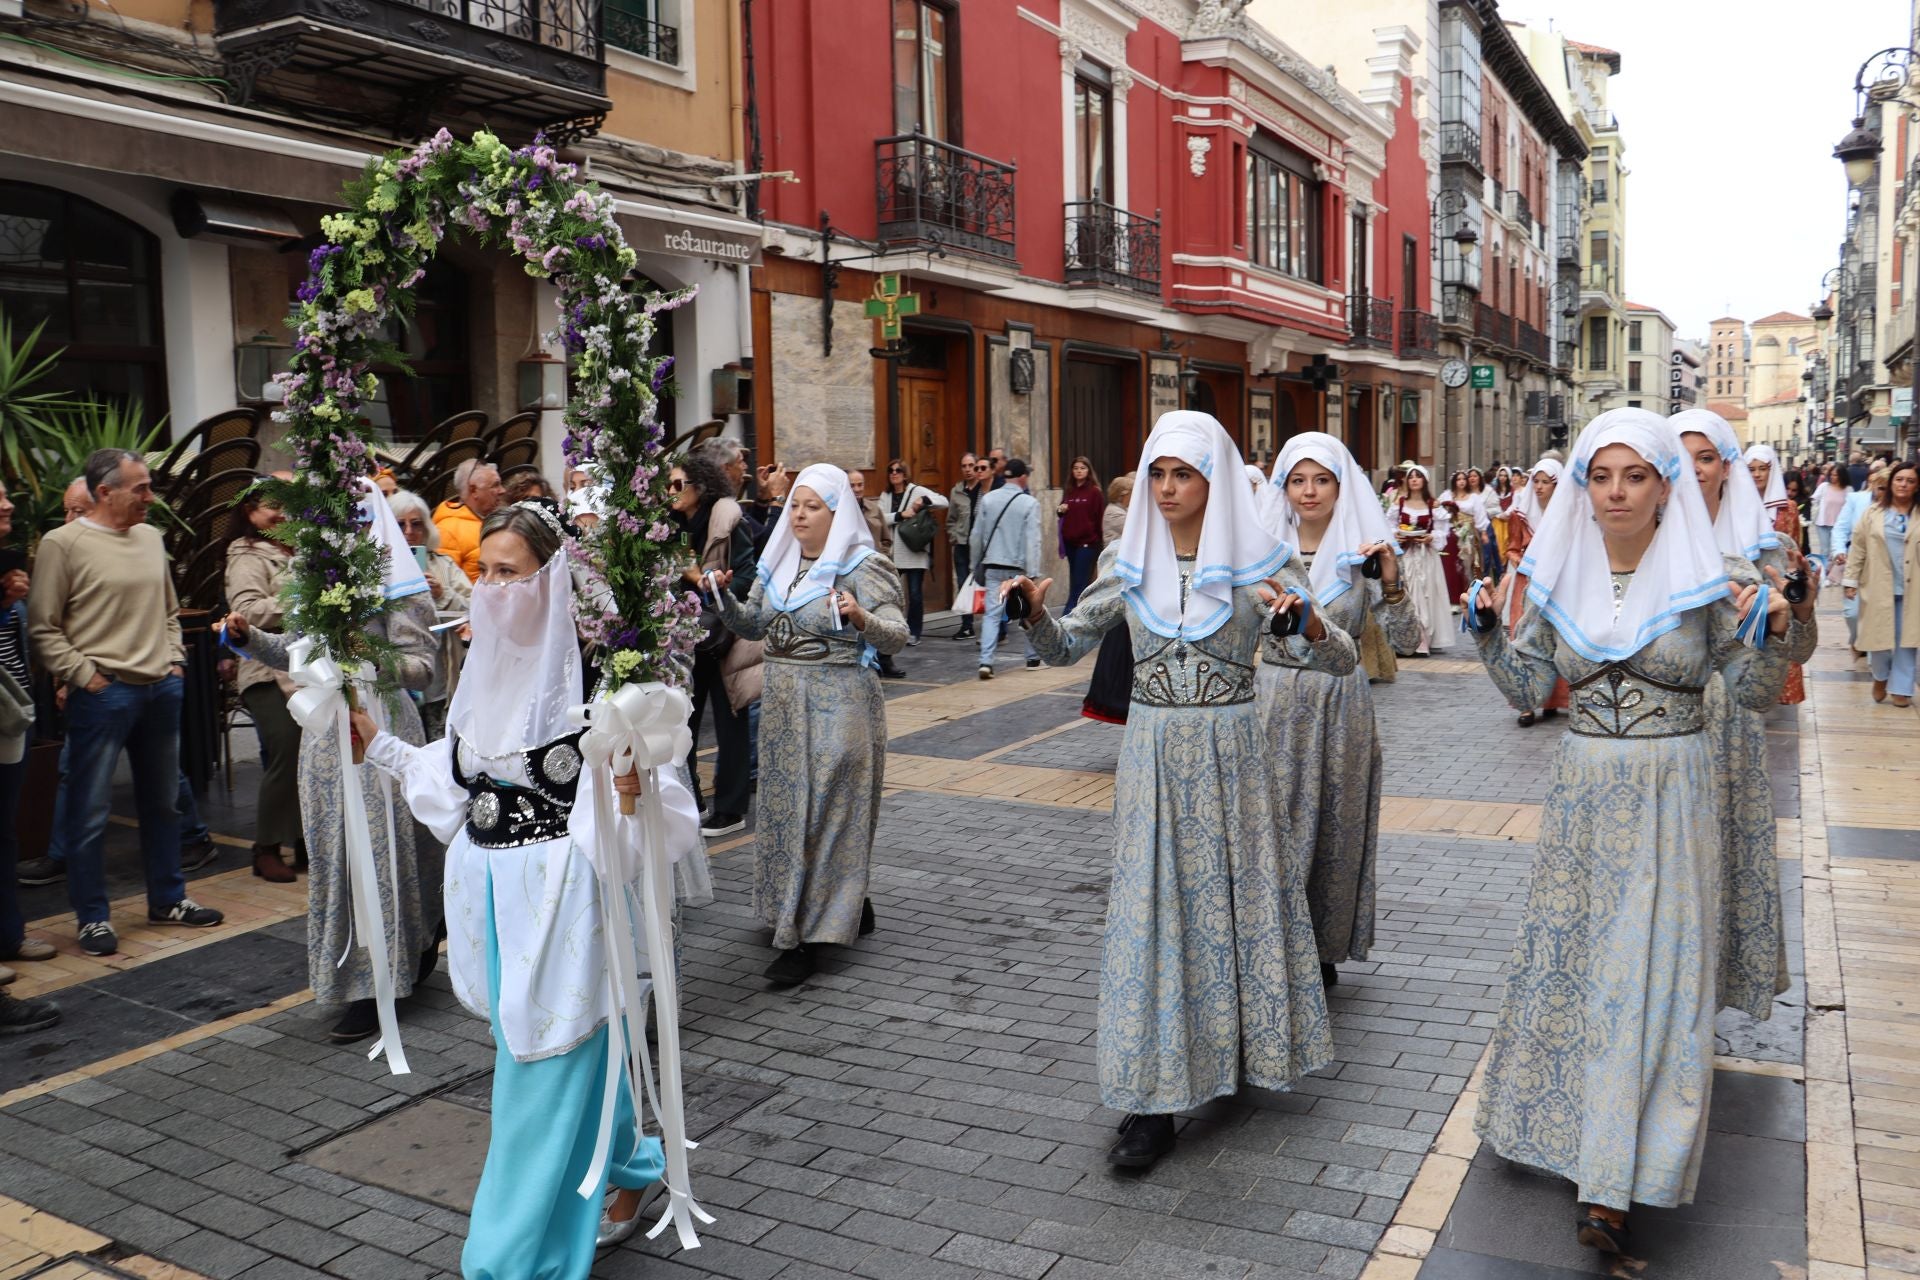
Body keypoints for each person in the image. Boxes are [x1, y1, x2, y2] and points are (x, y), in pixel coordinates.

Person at [1464, 409, 1796, 1257]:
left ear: (1664, 486)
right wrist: (1490, 636)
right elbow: (1529, 687)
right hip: (1582, 794)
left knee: (1658, 973)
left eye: (1634, 476)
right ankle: (1584, 1142)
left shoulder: (1712, 575)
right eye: (1601, 476)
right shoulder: (1561, 573)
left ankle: (1618, 1183)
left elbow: (1754, 694)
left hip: (1674, 791)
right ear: (1583, 486)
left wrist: (1781, 632)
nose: (1616, 492)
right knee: (1583, 969)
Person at [352, 501, 707, 1274]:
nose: (491, 588)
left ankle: (511, 1263)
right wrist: (378, 745)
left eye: (510, 573)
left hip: (562, 901)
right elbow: (458, 780)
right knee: (560, 1049)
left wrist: (627, 788)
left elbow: (658, 810)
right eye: (484, 572)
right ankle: (631, 1167)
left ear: (553, 582)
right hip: (487, 898)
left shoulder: (600, 678)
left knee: (539, 1076)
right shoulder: (488, 666)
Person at [1003, 411, 1346, 1170]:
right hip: (1152, 758)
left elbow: (1342, 659)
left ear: (1212, 480)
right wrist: (1031, 613)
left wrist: (1303, 627)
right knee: (1152, 918)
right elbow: (1067, 645)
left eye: (1181, 474)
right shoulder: (1128, 562)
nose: (1165, 488)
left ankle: (1231, 1051)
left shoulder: (1262, 563)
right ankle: (1151, 1098)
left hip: (1232, 757)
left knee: (1230, 907)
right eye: (1157, 472)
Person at [225, 481, 442, 1043]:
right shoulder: (313, 582)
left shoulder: (398, 582)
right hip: (325, 740)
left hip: (381, 731)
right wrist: (250, 639)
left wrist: (367, 663)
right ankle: (358, 971)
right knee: (337, 855)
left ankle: (388, 975)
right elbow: (295, 651)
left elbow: (423, 666)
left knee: (385, 855)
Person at [710, 464, 907, 987]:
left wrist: (863, 618)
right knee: (787, 813)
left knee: (826, 815)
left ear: (836, 512)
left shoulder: (864, 566)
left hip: (841, 705)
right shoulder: (780, 561)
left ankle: (808, 939)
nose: (798, 515)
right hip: (781, 709)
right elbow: (753, 625)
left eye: (812, 506)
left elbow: (897, 637)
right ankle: (844, 901)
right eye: (795, 504)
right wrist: (723, 598)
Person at [27, 450, 224, 957]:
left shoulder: (150, 538)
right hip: (103, 693)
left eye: (149, 486)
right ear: (104, 491)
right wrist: (86, 676)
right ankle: (92, 918)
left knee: (163, 803)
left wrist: (174, 659)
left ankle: (168, 897)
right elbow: (43, 628)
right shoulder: (62, 543)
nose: (150, 498)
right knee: (88, 814)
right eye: (140, 488)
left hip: (160, 687)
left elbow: (168, 610)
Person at [1258, 433, 1416, 990]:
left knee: (1335, 823)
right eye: (1298, 480)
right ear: (1282, 486)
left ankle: (1322, 945)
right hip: (1272, 700)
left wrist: (1392, 583)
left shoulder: (1363, 553)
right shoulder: (1259, 549)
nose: (1309, 492)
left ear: (1340, 485)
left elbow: (1407, 636)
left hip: (1341, 700)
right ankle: (1272, 939)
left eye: (1321, 480)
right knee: (1271, 823)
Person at [1674, 409, 1818, 1021]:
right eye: (1681, 457)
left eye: (1706, 458)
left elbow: (1798, 653)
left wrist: (1799, 611)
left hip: (1732, 718)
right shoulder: (1636, 537)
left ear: (1726, 469)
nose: (1693, 470)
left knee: (1725, 853)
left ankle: (1714, 984)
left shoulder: (1769, 548)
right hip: (1665, 719)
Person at [670, 453, 761, 837]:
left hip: (725, 636)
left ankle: (731, 808)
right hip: (684, 636)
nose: (670, 492)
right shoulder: (669, 525)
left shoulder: (727, 518)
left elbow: (748, 575)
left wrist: (713, 586)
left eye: (677, 485)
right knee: (682, 722)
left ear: (700, 487)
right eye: (666, 485)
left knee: (730, 721)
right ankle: (691, 798)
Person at [0, 476, 61, 1031]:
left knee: (6, 835)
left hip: (10, 725)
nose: (6, 505)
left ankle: (7, 936)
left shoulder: (8, 575)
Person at [223, 481, 302, 883]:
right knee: (288, 745)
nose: (283, 513)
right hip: (263, 671)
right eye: (274, 506)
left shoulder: (299, 549)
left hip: (305, 669)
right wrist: (304, 600)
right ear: (251, 510)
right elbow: (246, 611)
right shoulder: (247, 554)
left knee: (315, 747)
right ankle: (266, 848)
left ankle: (307, 843)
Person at [389, 489, 471, 741]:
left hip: (439, 682)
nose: (409, 532)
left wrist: (441, 593)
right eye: (400, 525)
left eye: (416, 524)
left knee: (441, 755)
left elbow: (474, 609)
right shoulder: (376, 567)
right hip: (396, 683)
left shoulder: (443, 565)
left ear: (426, 528)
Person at [1845, 460, 1920, 707]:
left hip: (1913, 587)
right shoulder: (1873, 513)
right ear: (1891, 483)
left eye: (1910, 481)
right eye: (1899, 479)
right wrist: (1850, 580)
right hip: (1878, 584)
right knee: (1878, 639)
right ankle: (1880, 676)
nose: (1904, 484)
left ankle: (1902, 688)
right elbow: (1858, 548)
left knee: (1907, 640)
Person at [1500, 459, 1568, 725]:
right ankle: (1524, 705)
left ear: (1556, 486)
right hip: (1526, 583)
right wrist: (1522, 561)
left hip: (1557, 583)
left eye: (1545, 482)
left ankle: (1554, 699)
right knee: (1524, 638)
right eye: (1536, 481)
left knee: (1556, 640)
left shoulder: (1566, 515)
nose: (1539, 487)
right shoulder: (1521, 514)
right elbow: (1512, 548)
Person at [970, 458, 1042, 679]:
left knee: (992, 614)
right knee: (1026, 611)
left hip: (993, 565)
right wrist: (1033, 572)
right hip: (1018, 568)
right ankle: (1031, 657)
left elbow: (976, 536)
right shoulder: (1029, 503)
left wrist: (975, 566)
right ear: (1022, 477)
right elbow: (1033, 541)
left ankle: (986, 662)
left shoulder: (988, 500)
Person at [879, 459, 949, 646]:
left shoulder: (916, 491)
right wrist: (900, 515)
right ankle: (894, 628)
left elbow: (943, 501)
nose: (894, 473)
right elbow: (880, 519)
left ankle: (914, 631)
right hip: (892, 554)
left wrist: (924, 501)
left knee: (915, 594)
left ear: (905, 473)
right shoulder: (885, 496)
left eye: (898, 470)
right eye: (891, 470)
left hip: (914, 552)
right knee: (891, 594)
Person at [848, 469, 907, 679]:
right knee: (858, 618)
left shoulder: (873, 508)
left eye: (860, 485)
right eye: (852, 485)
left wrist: (880, 556)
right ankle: (863, 659)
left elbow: (886, 538)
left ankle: (885, 660)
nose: (856, 489)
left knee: (880, 614)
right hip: (850, 573)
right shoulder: (839, 512)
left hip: (873, 571)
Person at [1390, 464, 1452, 654]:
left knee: (1427, 594)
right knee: (1407, 594)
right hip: (1406, 556)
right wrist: (1396, 536)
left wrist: (1431, 537)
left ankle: (1424, 639)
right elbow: (1388, 526)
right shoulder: (1398, 504)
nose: (1414, 479)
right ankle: (1406, 639)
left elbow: (1443, 531)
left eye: (1418, 476)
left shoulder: (1434, 506)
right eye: (1411, 477)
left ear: (1424, 481)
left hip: (1426, 558)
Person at [1834, 465, 1888, 653]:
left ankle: (1874, 655)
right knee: (1853, 613)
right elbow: (1840, 528)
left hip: (1884, 571)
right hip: (1857, 565)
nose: (1881, 491)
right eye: (1877, 485)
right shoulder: (1856, 500)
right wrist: (1839, 550)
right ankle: (1857, 638)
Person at [434, 460, 506, 581]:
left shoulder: (497, 520)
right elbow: (444, 586)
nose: (503, 490)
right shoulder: (448, 530)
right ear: (473, 490)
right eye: (495, 485)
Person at [1058, 457, 1106, 612]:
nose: (1079, 471)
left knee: (1080, 583)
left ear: (1088, 471)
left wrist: (1098, 543)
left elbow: (1099, 519)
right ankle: (1078, 614)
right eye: (1076, 468)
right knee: (1075, 581)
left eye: (1082, 468)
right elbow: (1062, 514)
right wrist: (1060, 511)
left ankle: (1068, 614)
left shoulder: (1094, 492)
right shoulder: (1069, 490)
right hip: (1070, 544)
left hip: (1087, 544)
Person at [947, 453, 980, 640]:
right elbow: (950, 519)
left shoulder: (985, 491)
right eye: (964, 466)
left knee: (984, 584)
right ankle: (967, 625)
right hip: (961, 545)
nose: (968, 469)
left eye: (971, 465)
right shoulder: (957, 491)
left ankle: (999, 623)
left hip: (980, 547)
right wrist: (953, 535)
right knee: (962, 584)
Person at [1812, 464, 1851, 561]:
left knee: (1836, 550)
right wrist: (1817, 509)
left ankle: (1834, 571)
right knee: (1825, 550)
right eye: (1832, 474)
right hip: (1823, 523)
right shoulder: (1824, 486)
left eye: (1836, 475)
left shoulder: (1848, 489)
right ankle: (1824, 572)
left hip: (1839, 525)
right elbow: (1814, 499)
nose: (1833, 477)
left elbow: (1851, 507)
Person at [1102, 474, 1132, 548]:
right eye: (1132, 493)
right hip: (1115, 556)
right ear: (1123, 494)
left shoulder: (1124, 509)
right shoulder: (1113, 512)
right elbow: (1134, 530)